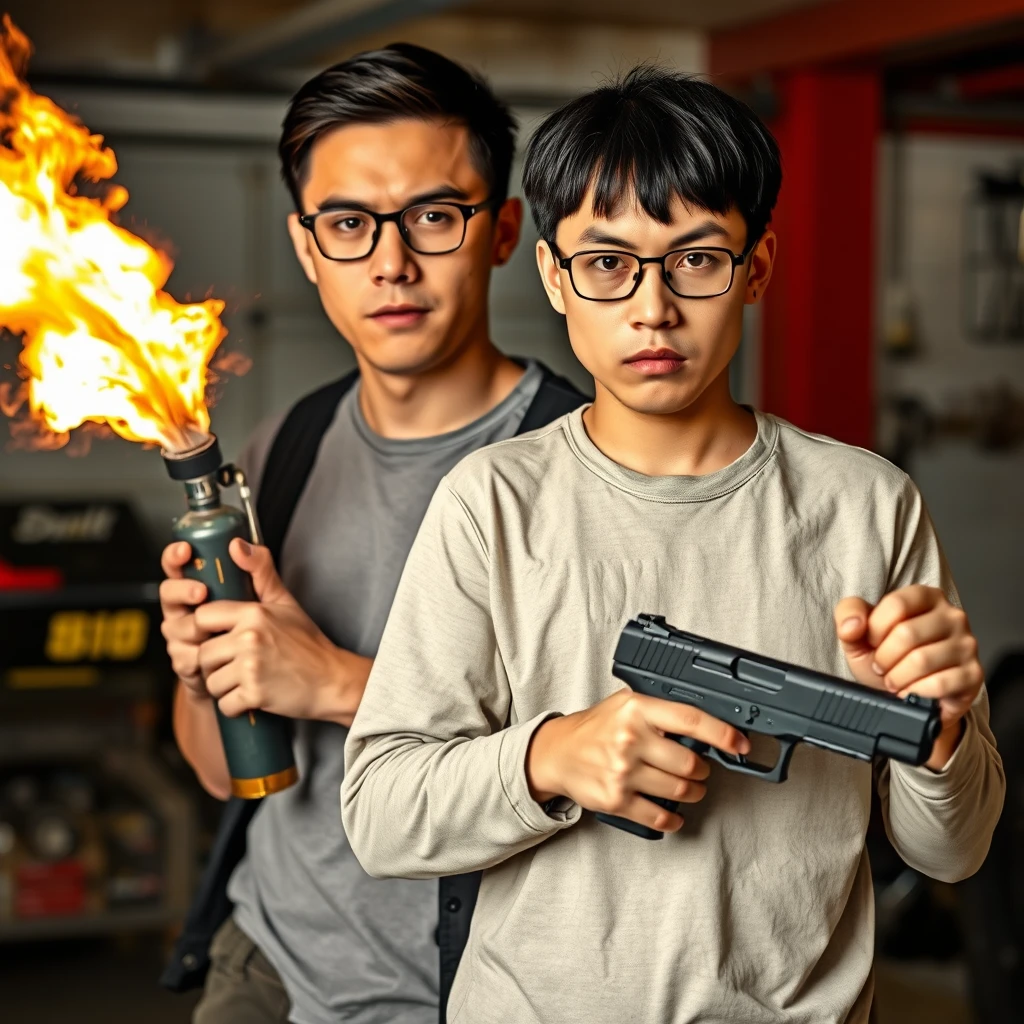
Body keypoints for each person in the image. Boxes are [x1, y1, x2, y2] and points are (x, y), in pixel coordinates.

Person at [341, 66, 1005, 1024]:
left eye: (697, 259)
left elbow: (954, 851)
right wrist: (551, 759)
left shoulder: (868, 506)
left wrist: (938, 734)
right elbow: (380, 815)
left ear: (758, 268)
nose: (652, 308)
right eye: (608, 264)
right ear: (554, 277)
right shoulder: (492, 503)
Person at [157, 43, 585, 1024]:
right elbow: (226, 768)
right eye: (349, 224)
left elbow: (615, 762)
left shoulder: (580, 464)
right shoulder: (286, 444)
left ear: (504, 230)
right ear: (307, 248)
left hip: (471, 990)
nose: (390, 262)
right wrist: (203, 672)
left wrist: (338, 680)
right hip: (264, 961)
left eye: (434, 216)